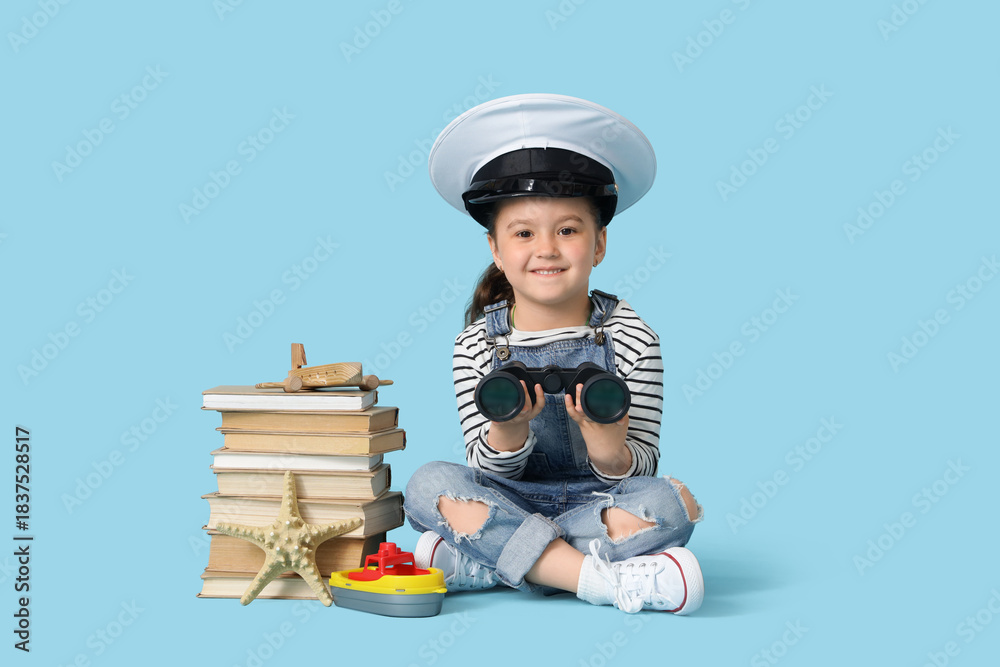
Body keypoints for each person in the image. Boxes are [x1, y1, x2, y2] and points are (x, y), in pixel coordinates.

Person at [403, 94, 704, 614]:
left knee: (673, 503)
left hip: (598, 504)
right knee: (427, 483)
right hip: (509, 496)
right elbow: (483, 468)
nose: (546, 248)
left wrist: (609, 448)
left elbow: (644, 467)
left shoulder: (633, 336)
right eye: (523, 233)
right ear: (496, 250)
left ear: (599, 244)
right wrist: (508, 431)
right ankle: (603, 581)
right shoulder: (475, 344)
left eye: (567, 230)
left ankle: (486, 560)